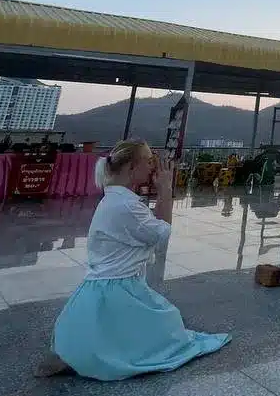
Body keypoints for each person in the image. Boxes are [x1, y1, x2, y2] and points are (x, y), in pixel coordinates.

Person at [36, 139, 229, 381]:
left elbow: (154, 228)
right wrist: (166, 190)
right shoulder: (126, 206)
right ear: (130, 168)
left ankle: (81, 351)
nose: (152, 166)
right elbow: (162, 233)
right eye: (148, 161)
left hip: (100, 289)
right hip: (119, 289)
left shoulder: (116, 200)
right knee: (170, 324)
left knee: (152, 323)